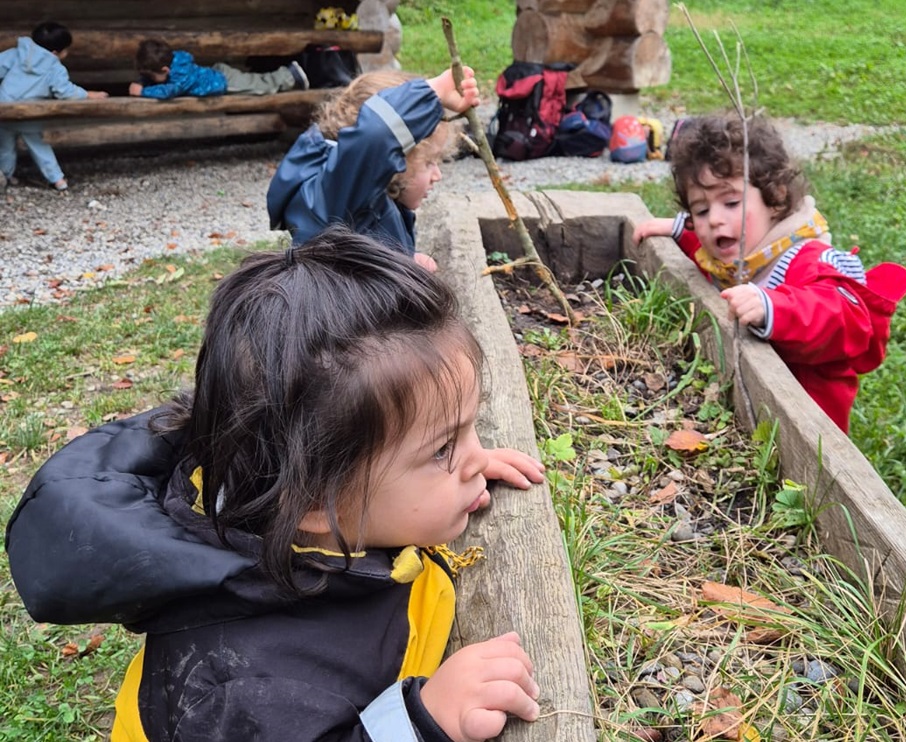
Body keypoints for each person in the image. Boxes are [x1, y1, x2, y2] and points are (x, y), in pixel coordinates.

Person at [6, 225, 547, 741]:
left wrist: (455, 462)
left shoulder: (295, 487)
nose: (477, 459)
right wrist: (421, 721)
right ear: (316, 500)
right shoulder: (249, 689)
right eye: (443, 448)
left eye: (469, 429)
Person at [633, 114, 906, 433]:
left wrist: (773, 308)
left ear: (775, 199)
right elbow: (711, 253)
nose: (713, 220)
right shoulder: (744, 252)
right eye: (701, 209)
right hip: (753, 405)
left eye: (731, 202)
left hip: (808, 424)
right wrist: (679, 230)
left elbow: (844, 319)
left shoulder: (809, 259)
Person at [266, 66, 481, 271]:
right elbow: (375, 136)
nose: (437, 175)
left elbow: (365, 264)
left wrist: (406, 263)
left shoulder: (365, 201)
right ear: (391, 158)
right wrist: (431, 93)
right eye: (429, 162)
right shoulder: (341, 198)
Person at [0, 21, 109, 191]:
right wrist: (88, 94)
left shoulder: (15, 54)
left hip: (4, 109)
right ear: (56, 52)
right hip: (29, 113)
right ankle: (58, 180)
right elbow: (64, 92)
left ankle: (5, 176)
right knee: (39, 147)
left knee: (5, 147)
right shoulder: (55, 67)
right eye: (66, 49)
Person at [128, 38, 309, 99]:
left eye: (150, 75)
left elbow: (170, 91)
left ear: (165, 69)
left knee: (260, 86)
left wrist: (143, 91)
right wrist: (144, 82)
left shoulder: (180, 75)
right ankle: (286, 76)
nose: (150, 79)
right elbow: (159, 80)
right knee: (252, 81)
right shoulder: (175, 61)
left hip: (223, 82)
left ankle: (289, 75)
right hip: (216, 74)